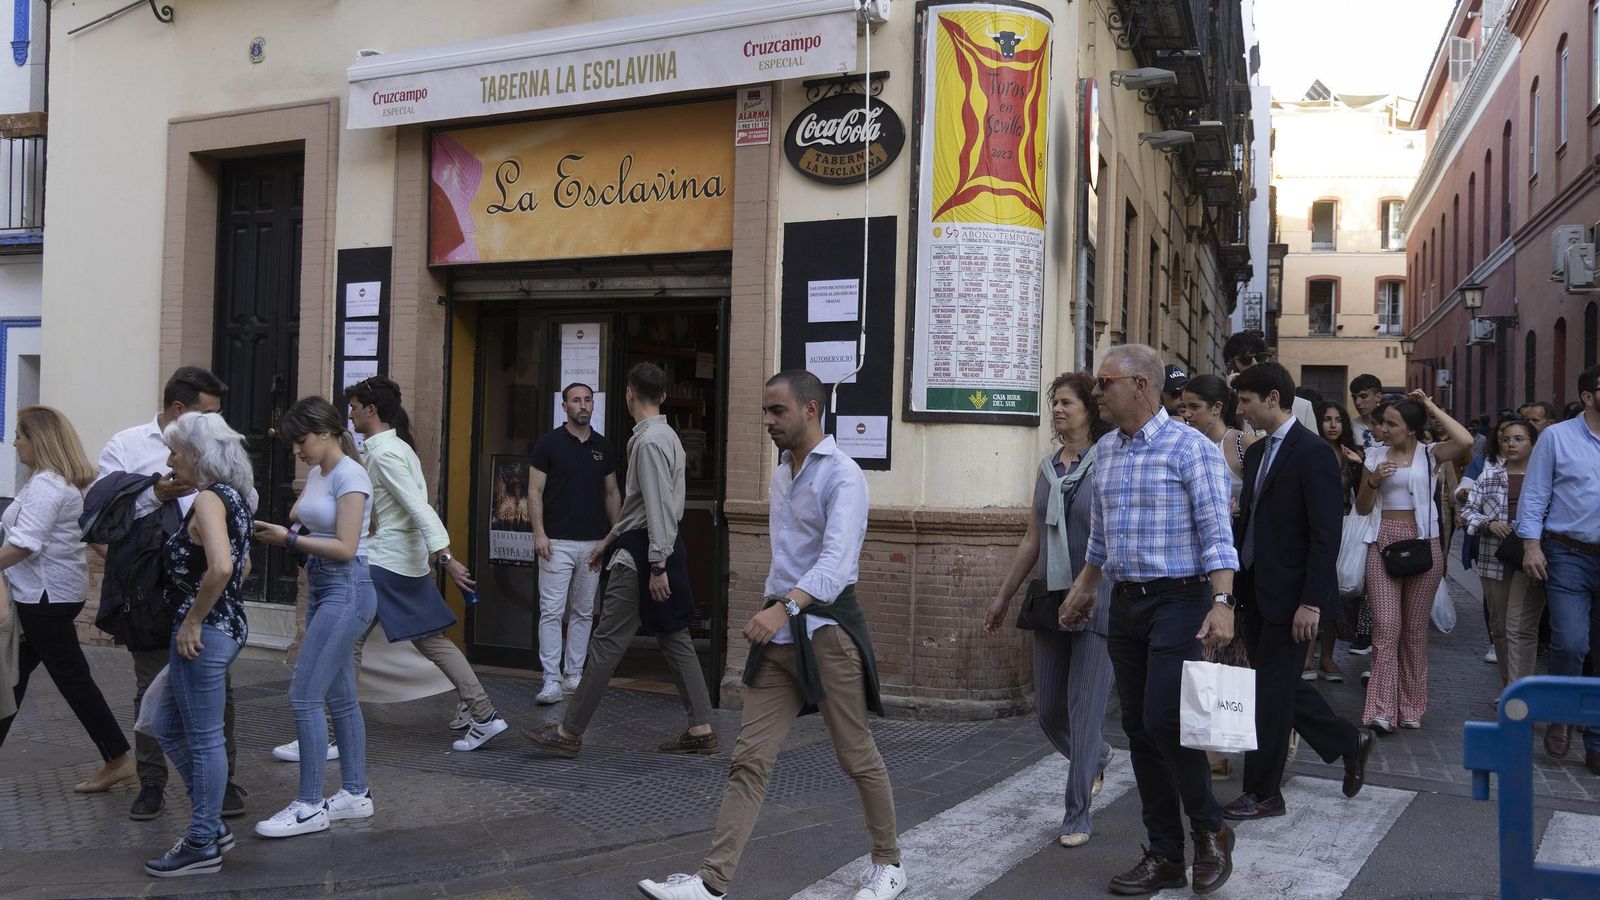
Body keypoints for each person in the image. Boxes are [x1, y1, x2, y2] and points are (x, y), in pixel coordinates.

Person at [638, 370, 905, 900]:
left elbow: (835, 566)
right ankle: (713, 882)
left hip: (826, 632)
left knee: (855, 754)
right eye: (764, 412)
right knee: (748, 759)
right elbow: (786, 560)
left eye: (776, 411)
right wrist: (774, 612)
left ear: (810, 409)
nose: (767, 422)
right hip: (779, 635)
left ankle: (890, 863)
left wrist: (781, 610)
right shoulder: (783, 473)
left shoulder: (844, 476)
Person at [1057, 343, 1238, 896]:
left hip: (1180, 598)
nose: (1096, 392)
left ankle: (1209, 829)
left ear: (1139, 385)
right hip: (1126, 602)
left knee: (1165, 718)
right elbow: (1101, 538)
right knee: (1138, 728)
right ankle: (1164, 853)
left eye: (1104, 382)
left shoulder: (1191, 449)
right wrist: (1084, 588)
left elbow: (1216, 532)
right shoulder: (1106, 451)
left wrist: (1222, 604)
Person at [526, 363, 718, 759]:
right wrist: (607, 541)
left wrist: (658, 564)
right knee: (675, 636)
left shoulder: (647, 442)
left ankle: (568, 731)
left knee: (606, 643)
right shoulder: (667, 436)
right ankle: (701, 727)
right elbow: (642, 504)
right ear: (663, 396)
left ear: (629, 394)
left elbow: (658, 508)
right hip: (656, 545)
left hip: (646, 553)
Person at [94, 366, 245, 821]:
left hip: (201, 590)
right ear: (180, 411)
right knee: (150, 690)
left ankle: (220, 790)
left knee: (216, 690)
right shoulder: (126, 445)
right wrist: (156, 493)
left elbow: (230, 543)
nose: (217, 424)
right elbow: (104, 514)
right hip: (149, 587)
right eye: (208, 413)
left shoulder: (216, 464)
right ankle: (152, 783)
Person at [1222, 363, 1371, 821]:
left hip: (1292, 597)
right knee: (1277, 686)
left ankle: (1264, 793)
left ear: (1272, 397)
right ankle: (1348, 740)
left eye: (1245, 401)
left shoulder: (1312, 452)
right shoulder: (1261, 449)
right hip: (1257, 589)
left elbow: (1325, 533)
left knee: (1269, 695)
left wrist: (1311, 601)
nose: (1240, 410)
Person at [984, 372, 1116, 848]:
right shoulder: (1046, 468)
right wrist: (1002, 595)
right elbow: (1032, 539)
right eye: (1054, 403)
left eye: (1067, 402)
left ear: (1090, 409)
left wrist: (1093, 589)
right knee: (1048, 712)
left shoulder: (1110, 461)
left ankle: (1076, 814)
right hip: (1050, 598)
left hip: (1097, 600)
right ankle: (1096, 756)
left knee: (1084, 711)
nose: (1058, 410)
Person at [343, 376, 506, 752]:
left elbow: (419, 509)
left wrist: (446, 557)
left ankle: (335, 732)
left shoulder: (384, 455)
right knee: (432, 642)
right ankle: (483, 714)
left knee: (346, 643)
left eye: (354, 407)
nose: (349, 414)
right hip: (403, 563)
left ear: (371, 410)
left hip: (383, 562)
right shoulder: (396, 448)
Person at [250, 398, 376, 838]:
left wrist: (288, 539)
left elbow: (344, 547)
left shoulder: (351, 475)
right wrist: (293, 526)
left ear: (325, 433)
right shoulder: (323, 473)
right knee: (340, 699)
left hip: (347, 587)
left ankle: (309, 806)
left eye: (301, 440)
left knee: (305, 695)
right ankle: (355, 794)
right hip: (326, 587)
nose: (297, 450)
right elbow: (296, 514)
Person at [0, 406, 135, 793]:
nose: (14, 443)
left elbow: (25, 543)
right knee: (14, 676)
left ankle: (118, 758)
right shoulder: (54, 482)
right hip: (49, 595)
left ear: (38, 440)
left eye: (20, 436)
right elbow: (85, 532)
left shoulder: (47, 484)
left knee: (68, 678)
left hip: (44, 598)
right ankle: (117, 757)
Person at [144, 412, 254, 877]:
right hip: (221, 627)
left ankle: (201, 841)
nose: (169, 461)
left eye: (174, 452)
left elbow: (224, 568)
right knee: (162, 721)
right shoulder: (234, 497)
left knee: (204, 738)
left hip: (202, 634)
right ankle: (209, 825)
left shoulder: (209, 500)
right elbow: (240, 567)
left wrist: (193, 620)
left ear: (195, 454)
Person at [1354, 391, 1473, 733]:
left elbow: (1464, 440)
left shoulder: (1429, 454)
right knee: (1386, 625)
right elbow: (1363, 507)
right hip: (1382, 542)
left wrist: (1431, 405)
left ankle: (1411, 707)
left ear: (1411, 428)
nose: (1384, 428)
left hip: (1423, 544)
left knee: (1415, 632)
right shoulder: (1373, 456)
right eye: (1384, 423)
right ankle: (1380, 709)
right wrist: (1374, 481)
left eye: (1393, 423)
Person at [1518, 365, 1600, 775]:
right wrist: (1531, 545)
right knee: (1570, 644)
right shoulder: (1556, 437)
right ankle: (1561, 713)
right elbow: (1535, 494)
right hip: (1568, 552)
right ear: (1588, 396)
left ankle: (1597, 739)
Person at [1175, 373, 1255, 777]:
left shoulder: (1241, 443)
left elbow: (1265, 496)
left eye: (1193, 407)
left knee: (1228, 655)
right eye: (1182, 407)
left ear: (1217, 408)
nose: (1185, 414)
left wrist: (1239, 511)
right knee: (1203, 654)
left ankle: (1223, 747)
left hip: (1232, 560)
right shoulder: (1182, 443)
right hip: (1190, 561)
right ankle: (1210, 751)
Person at [529, 382, 620, 704]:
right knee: (552, 612)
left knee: (583, 612)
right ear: (564, 406)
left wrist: (614, 537)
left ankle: (573, 675)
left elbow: (611, 494)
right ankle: (550, 679)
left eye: (587, 400)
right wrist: (539, 534)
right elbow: (534, 492)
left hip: (594, 543)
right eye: (576, 401)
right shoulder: (548, 444)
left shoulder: (603, 447)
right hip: (556, 543)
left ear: (594, 405)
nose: (582, 405)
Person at [1460, 419, 1544, 691]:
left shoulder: (1544, 475)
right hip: (1493, 555)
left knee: (1519, 625)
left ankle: (1521, 692)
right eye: (1506, 439)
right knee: (1499, 625)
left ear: (1533, 443)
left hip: (1531, 556)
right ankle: (1508, 686)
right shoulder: (1490, 475)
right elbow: (1467, 511)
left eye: (1519, 439)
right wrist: (1487, 523)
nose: (1511, 444)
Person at [1312, 399, 1365, 681]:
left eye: (1338, 420)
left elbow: (1365, 494)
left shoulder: (1352, 454)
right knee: (1312, 590)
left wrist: (1360, 465)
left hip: (1343, 527)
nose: (1332, 425)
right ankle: (1308, 655)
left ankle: (1328, 657)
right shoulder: (1310, 450)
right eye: (1327, 419)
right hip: (1313, 527)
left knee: (1334, 594)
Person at [1222, 331, 1314, 432]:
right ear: (1230, 365)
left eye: (1260, 357)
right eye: (1246, 360)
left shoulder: (1302, 407)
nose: (1255, 364)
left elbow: (1314, 446)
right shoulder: (1222, 405)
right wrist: (1229, 397)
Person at [1349, 374, 1385, 450]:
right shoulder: (1350, 426)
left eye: (1363, 396)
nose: (1357, 402)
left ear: (1378, 396)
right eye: (1354, 398)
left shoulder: (1391, 425)